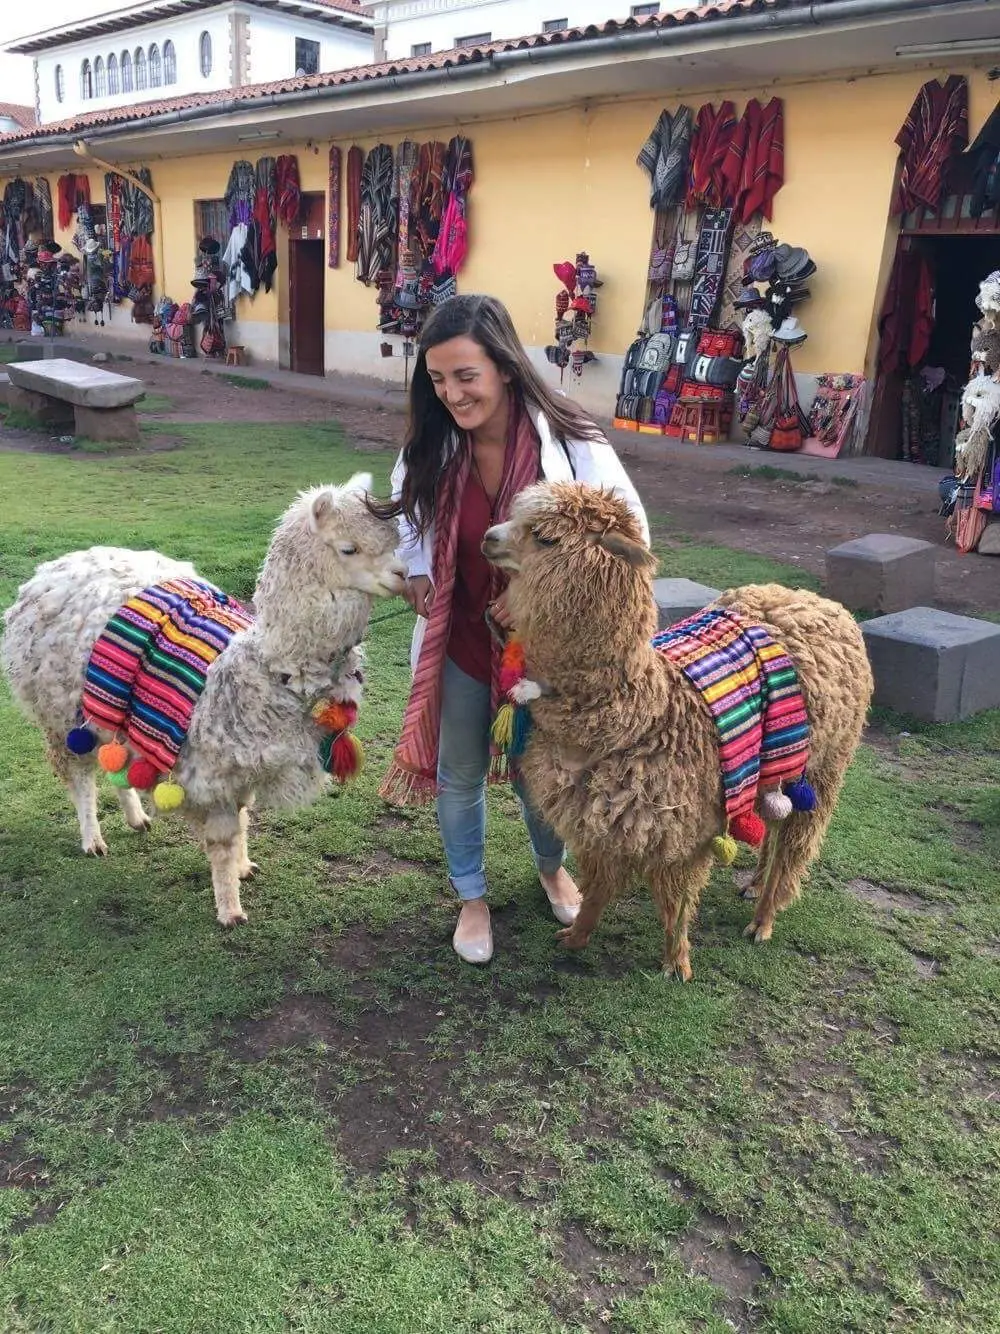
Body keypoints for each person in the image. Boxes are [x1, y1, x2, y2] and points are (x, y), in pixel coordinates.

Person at [371, 294, 649, 965]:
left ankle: (551, 867)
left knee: (542, 771)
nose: (453, 394)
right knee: (461, 771)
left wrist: (532, 596)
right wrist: (416, 571)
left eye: (465, 376)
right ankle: (471, 897)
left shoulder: (574, 443)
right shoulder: (430, 445)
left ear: (501, 365)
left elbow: (624, 533)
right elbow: (411, 523)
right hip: (462, 638)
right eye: (437, 380)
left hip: (544, 652)